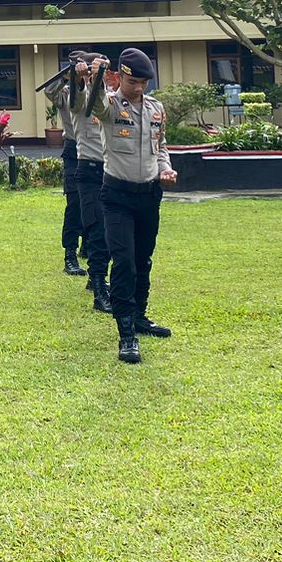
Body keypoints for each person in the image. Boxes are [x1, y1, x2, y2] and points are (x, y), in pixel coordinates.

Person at [87, 47, 176, 364]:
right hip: (117, 197)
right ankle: (126, 334)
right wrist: (97, 77)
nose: (138, 88)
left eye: (143, 82)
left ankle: (140, 315)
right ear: (121, 75)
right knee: (123, 262)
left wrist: (165, 167)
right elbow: (94, 103)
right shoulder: (110, 105)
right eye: (133, 81)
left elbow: (160, 146)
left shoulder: (156, 109)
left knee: (142, 260)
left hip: (149, 195)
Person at [65, 54, 113, 313]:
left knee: (111, 232)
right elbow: (77, 99)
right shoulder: (79, 100)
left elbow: (106, 102)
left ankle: (100, 278)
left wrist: (101, 76)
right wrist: (79, 77)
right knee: (96, 230)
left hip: (112, 172)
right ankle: (97, 285)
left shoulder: (110, 98)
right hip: (89, 171)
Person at [56, 52, 86, 277]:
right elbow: (50, 92)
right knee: (75, 203)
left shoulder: (103, 93)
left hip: (97, 153)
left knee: (97, 203)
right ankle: (70, 254)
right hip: (74, 150)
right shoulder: (66, 93)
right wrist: (65, 77)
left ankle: (90, 245)